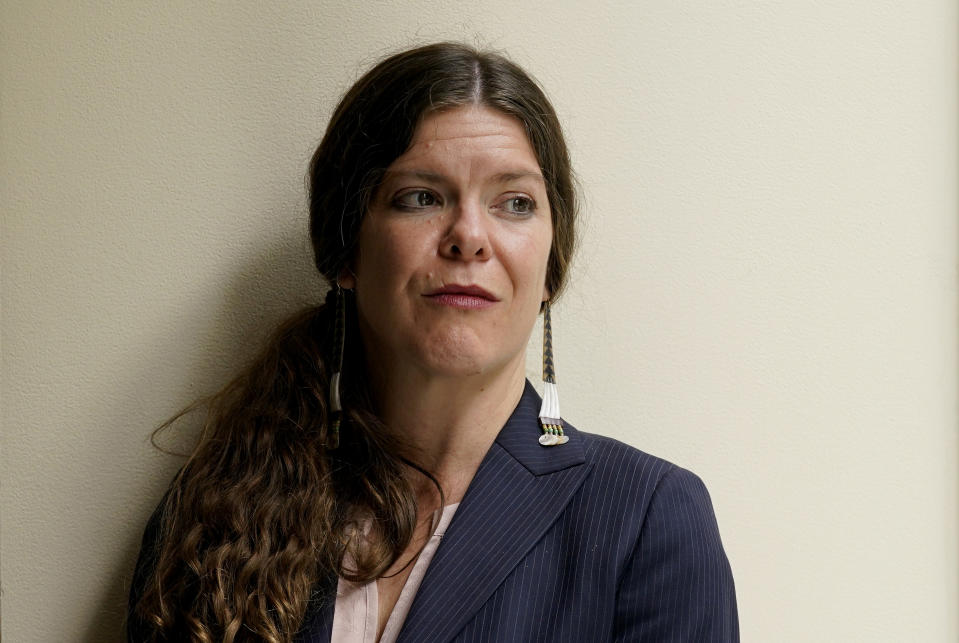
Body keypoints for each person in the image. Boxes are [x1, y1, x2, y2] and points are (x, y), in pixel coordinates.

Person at [127, 42, 738, 642]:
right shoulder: (215, 512)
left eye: (515, 203)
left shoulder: (649, 519)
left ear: (551, 270)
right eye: (421, 197)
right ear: (346, 250)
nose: (469, 236)